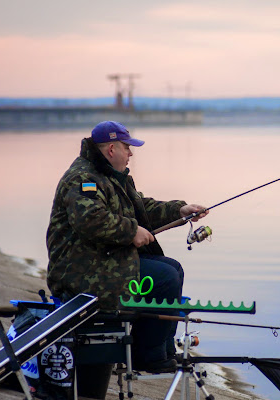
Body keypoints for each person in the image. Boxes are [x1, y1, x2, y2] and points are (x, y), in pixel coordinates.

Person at [46, 121, 208, 373]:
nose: (131, 153)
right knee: (165, 277)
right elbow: (90, 219)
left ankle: (163, 350)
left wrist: (180, 210)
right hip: (81, 273)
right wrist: (131, 232)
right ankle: (147, 355)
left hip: (103, 261)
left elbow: (141, 208)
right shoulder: (83, 178)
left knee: (173, 269)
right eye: (127, 147)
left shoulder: (111, 177)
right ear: (111, 149)